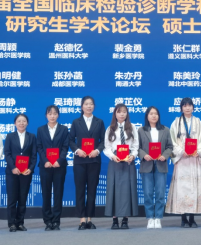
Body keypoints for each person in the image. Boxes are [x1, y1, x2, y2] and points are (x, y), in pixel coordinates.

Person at [166, 97, 201, 228]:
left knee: (193, 188)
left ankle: (192, 218)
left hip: (194, 159)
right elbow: (172, 141)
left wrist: (199, 151)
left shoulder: (198, 122)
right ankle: (183, 218)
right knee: (182, 189)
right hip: (182, 159)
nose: (187, 108)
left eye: (189, 105)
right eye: (184, 106)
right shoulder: (176, 122)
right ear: (181, 108)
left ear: (193, 107)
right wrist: (180, 151)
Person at [69, 96, 106, 231]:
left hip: (94, 160)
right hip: (80, 160)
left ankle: (89, 219)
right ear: (81, 106)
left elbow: (104, 140)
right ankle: (81, 220)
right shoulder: (76, 122)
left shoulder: (99, 122)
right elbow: (70, 140)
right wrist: (77, 150)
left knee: (92, 189)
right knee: (80, 189)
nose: (89, 106)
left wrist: (97, 150)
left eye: (91, 104)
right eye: (86, 104)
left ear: (94, 106)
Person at [103, 104, 139, 229]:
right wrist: (113, 156)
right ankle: (114, 220)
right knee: (114, 189)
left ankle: (125, 220)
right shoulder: (110, 128)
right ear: (115, 114)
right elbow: (106, 147)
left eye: (124, 112)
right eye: (119, 112)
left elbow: (135, 145)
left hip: (128, 161)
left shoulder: (132, 127)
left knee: (127, 189)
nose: (122, 114)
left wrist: (133, 156)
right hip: (115, 161)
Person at [138, 106, 173, 229]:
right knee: (147, 193)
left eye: (156, 114)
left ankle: (158, 218)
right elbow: (137, 147)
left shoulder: (165, 130)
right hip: (146, 165)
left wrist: (164, 156)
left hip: (160, 164)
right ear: (147, 116)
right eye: (151, 113)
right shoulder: (141, 130)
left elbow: (170, 146)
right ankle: (149, 218)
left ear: (158, 116)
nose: (154, 116)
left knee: (160, 193)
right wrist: (144, 155)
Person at [37, 105, 70, 231]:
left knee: (58, 193)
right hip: (45, 166)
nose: (52, 116)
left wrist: (59, 160)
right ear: (46, 115)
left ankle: (56, 221)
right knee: (46, 194)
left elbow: (65, 147)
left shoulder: (64, 129)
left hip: (59, 166)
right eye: (50, 114)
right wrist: (45, 161)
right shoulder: (41, 129)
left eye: (55, 113)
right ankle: (47, 221)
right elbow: (39, 147)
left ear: (58, 115)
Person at [4, 114, 37, 232]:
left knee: (23, 198)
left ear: (27, 123)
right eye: (19, 121)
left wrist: (31, 168)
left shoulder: (32, 136)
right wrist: (13, 167)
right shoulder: (10, 136)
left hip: (26, 173)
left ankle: (20, 222)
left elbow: (34, 155)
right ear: (15, 123)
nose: (21, 123)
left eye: (24, 121)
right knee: (12, 198)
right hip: (12, 172)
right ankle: (12, 223)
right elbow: (7, 153)